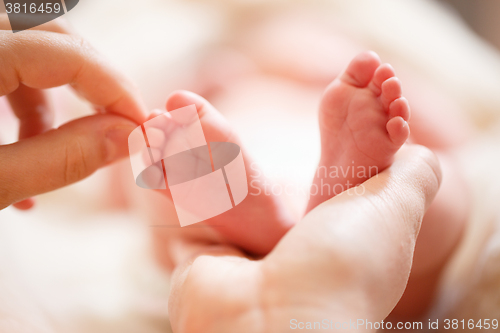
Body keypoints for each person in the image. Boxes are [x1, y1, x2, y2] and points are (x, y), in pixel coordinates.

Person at [0, 18, 444, 332]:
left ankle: (268, 217)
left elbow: (452, 134)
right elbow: (120, 182)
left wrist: (405, 105)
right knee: (167, 157)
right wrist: (204, 88)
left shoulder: (351, 105)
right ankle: (288, 211)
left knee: (428, 175)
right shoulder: (232, 87)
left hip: (330, 187)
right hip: (321, 205)